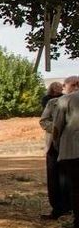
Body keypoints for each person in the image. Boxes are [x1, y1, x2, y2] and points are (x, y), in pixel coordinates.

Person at [40, 76, 77, 219]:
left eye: (77, 84)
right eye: (72, 84)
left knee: (71, 180)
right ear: (65, 86)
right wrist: (58, 131)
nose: (75, 87)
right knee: (54, 178)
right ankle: (57, 209)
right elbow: (44, 120)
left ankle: (72, 209)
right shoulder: (54, 102)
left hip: (73, 147)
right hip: (55, 145)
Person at [53, 80, 79, 228]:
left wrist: (57, 144)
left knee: (76, 188)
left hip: (72, 150)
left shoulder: (65, 100)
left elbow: (57, 126)